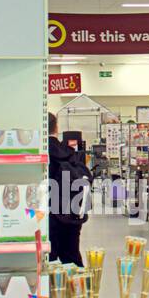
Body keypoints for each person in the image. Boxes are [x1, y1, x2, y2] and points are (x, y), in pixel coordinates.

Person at [48, 112, 91, 266]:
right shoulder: (70, 153)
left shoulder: (42, 153)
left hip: (50, 214)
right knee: (72, 257)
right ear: (56, 128)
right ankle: (80, 288)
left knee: (49, 258)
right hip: (72, 213)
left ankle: (53, 288)